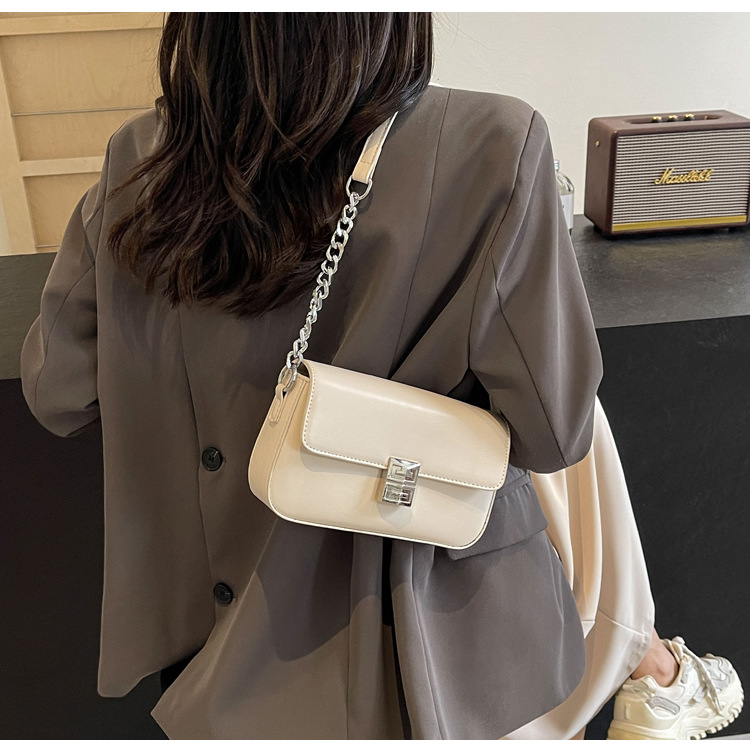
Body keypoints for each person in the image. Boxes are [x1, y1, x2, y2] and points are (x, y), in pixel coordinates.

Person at [18, 13, 741, 740]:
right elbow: (554, 432)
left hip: (207, 642)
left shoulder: (143, 155)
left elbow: (58, 391)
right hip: (415, 642)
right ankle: (648, 664)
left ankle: (648, 662)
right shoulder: (493, 143)